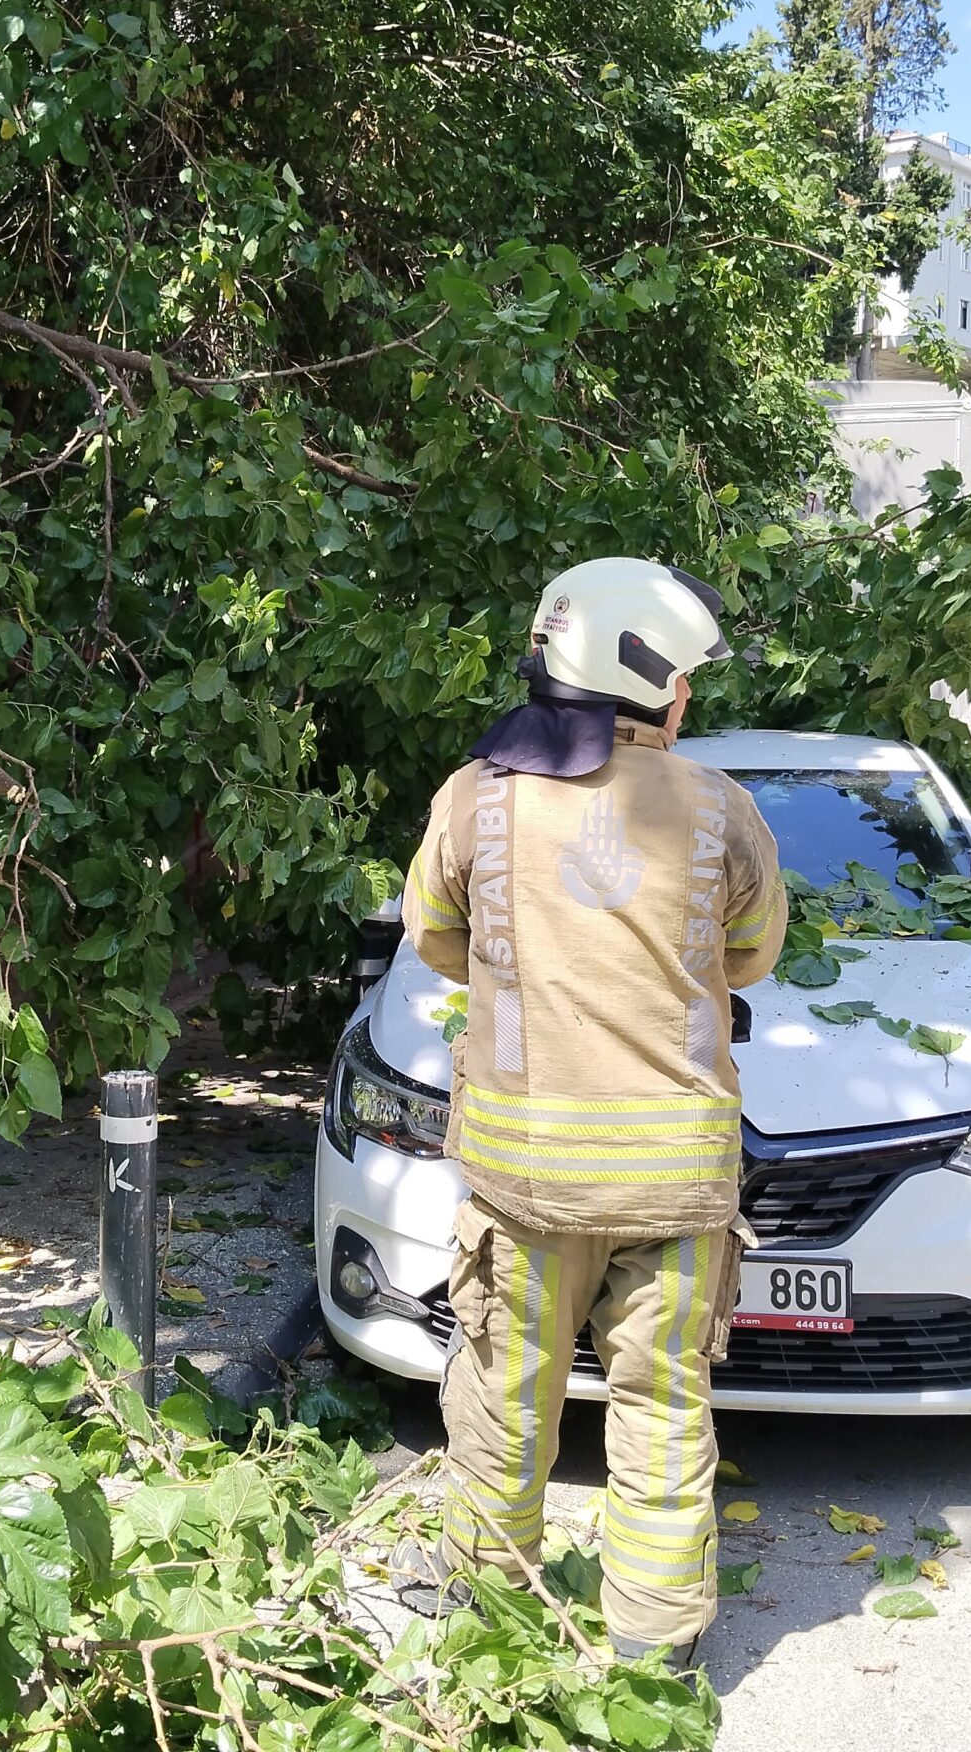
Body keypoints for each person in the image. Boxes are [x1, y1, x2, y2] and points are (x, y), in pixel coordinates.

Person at [399, 558, 786, 1666]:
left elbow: (432, 935)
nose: (689, 698)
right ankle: (655, 1653)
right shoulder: (721, 809)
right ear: (645, 674)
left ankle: (488, 1625)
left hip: (523, 1186)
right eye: (684, 678)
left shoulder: (476, 795)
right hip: (676, 1189)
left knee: (504, 1408)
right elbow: (752, 958)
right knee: (662, 1417)